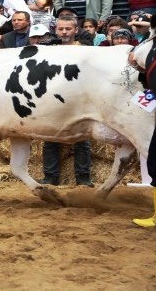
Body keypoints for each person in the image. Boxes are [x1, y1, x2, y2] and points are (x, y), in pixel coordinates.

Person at [38, 16, 93, 187]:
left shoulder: (86, 51)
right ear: (55, 30)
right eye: (60, 29)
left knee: (82, 140)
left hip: (78, 101)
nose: (64, 32)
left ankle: (83, 178)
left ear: (76, 30)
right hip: (52, 99)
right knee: (49, 139)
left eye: (68, 29)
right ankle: (50, 177)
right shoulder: (47, 51)